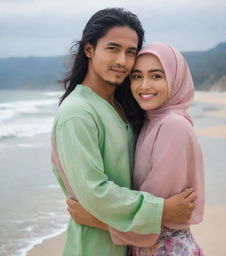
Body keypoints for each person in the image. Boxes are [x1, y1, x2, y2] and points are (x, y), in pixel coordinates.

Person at [52, 8, 197, 256]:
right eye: (113, 48)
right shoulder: (77, 113)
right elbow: (95, 192)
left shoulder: (122, 106)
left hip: (128, 243)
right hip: (94, 247)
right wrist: (161, 209)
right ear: (89, 49)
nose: (122, 61)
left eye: (130, 52)